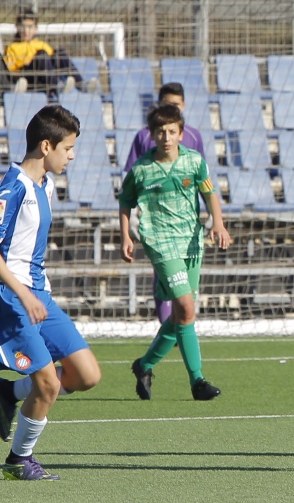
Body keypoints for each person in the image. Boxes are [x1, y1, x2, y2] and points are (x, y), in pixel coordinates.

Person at [0, 104, 102, 480]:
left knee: (86, 375)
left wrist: (36, 293)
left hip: (38, 295)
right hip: (11, 298)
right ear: (46, 146)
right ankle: (18, 460)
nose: (72, 156)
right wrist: (23, 293)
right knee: (47, 383)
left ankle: (9, 393)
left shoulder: (44, 184)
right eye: (68, 148)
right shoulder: (11, 189)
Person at [118, 102, 230, 401]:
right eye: (160, 132)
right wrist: (125, 235)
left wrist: (218, 223)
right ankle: (197, 381)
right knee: (187, 308)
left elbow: (209, 193)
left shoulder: (194, 161)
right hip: (160, 243)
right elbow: (125, 201)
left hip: (191, 241)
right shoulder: (141, 169)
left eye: (171, 131)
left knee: (182, 313)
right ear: (152, 135)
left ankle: (144, 365)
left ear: (181, 133)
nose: (166, 137)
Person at [124, 82, 208, 324]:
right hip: (156, 223)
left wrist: (212, 214)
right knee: (164, 274)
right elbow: (131, 177)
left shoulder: (193, 136)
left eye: (177, 105)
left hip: (185, 222)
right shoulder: (145, 136)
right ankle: (169, 324)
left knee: (185, 284)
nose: (166, 137)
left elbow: (203, 178)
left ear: (184, 106)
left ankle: (177, 329)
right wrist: (132, 217)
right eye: (168, 104)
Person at [4, 8, 98, 98]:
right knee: (41, 55)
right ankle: (57, 86)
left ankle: (82, 86)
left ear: (35, 28)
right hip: (28, 77)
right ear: (17, 27)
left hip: (44, 76)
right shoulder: (12, 47)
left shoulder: (41, 44)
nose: (26, 31)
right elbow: (11, 71)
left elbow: (52, 60)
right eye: (23, 27)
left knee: (59, 54)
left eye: (30, 27)